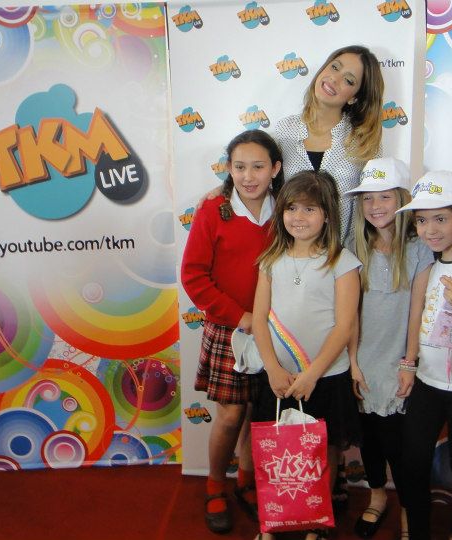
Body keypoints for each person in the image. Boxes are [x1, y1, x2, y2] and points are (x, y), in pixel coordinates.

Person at [180, 129, 284, 534]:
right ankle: (214, 485)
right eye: (239, 167)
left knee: (259, 412)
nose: (248, 176)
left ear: (275, 168)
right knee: (230, 414)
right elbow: (194, 276)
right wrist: (240, 317)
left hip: (275, 330)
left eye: (258, 167)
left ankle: (246, 480)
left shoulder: (287, 208)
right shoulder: (213, 210)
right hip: (230, 328)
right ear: (228, 169)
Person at [251, 171, 362, 540]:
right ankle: (271, 522)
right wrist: (272, 369)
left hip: (325, 377)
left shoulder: (342, 261)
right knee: (276, 451)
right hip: (279, 378)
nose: (299, 217)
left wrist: (313, 374)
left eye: (310, 209)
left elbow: (344, 326)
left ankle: (316, 520)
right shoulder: (271, 260)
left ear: (327, 215)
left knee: (321, 450)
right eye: (291, 208)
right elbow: (260, 319)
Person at [344, 158, 432, 539]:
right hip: (361, 361)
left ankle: (410, 507)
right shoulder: (353, 246)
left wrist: (408, 362)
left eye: (384, 197)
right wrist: (352, 361)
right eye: (368, 198)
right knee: (370, 441)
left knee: (399, 445)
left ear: (402, 199)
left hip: (397, 362)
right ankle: (377, 495)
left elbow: (417, 310)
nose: (375, 206)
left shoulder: (419, 248)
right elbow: (349, 313)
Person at [395, 171, 452, 540]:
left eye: (440, 218)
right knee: (413, 461)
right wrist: (408, 364)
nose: (429, 229)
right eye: (421, 220)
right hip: (428, 383)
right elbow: (415, 318)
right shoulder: (427, 269)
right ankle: (418, 532)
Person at [273, 44, 384, 243]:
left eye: (348, 80)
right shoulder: (284, 131)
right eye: (334, 67)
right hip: (291, 251)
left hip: (345, 254)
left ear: (355, 97)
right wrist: (226, 189)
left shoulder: (364, 142)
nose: (334, 78)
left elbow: (379, 202)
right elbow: (261, 179)